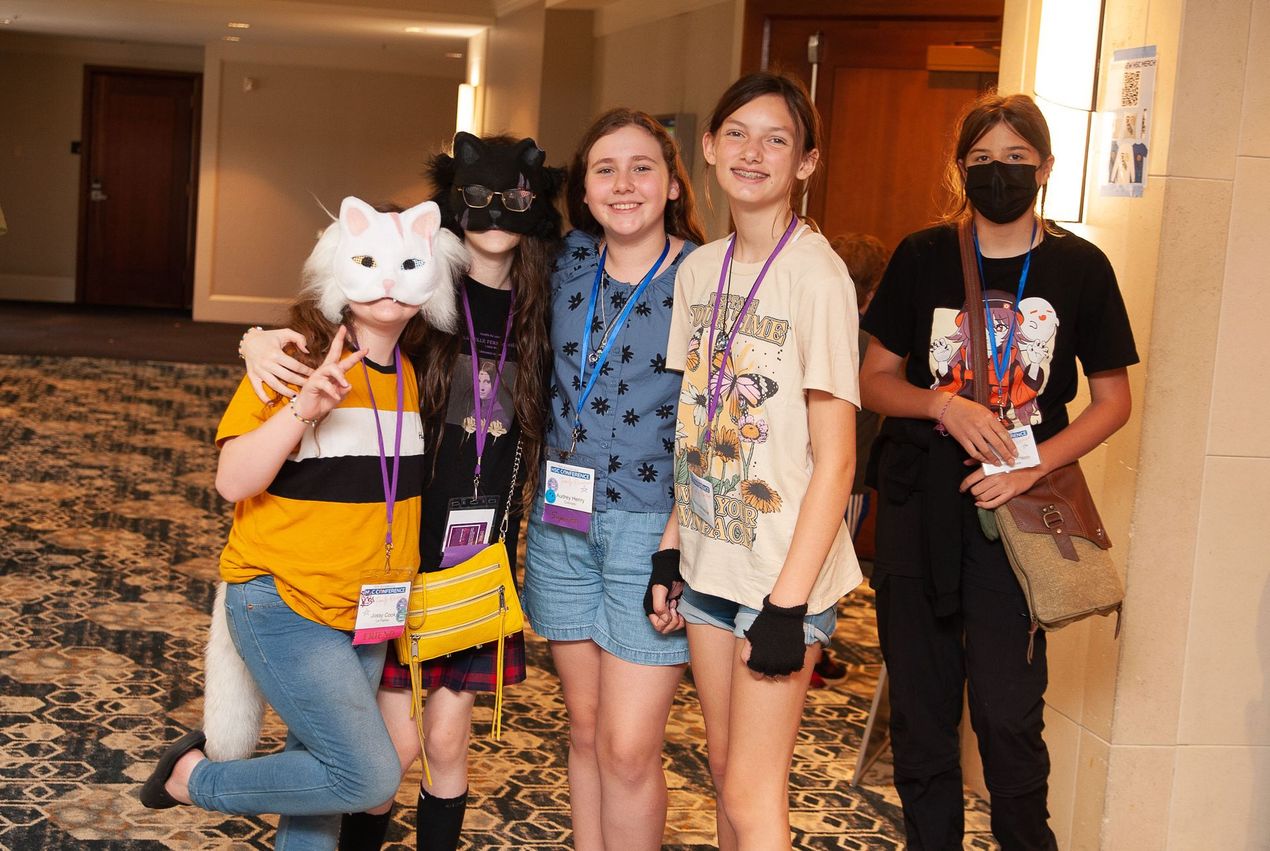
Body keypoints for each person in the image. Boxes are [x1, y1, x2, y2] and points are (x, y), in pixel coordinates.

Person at [237, 133, 561, 851]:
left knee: (446, 745)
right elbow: (331, 312)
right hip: (399, 562)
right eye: (477, 196)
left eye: (514, 197)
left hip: (479, 561)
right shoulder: (418, 294)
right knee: (389, 754)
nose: (495, 211)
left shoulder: (549, 300)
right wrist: (256, 339)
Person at [139, 196, 468, 851]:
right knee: (366, 772)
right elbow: (232, 481)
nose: (384, 281)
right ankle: (192, 777)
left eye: (404, 265)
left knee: (321, 782)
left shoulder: (412, 371)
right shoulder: (293, 359)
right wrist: (302, 409)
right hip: (284, 599)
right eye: (368, 262)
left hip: (367, 609)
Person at [858, 92, 1138, 850]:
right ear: (960, 171)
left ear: (1046, 168)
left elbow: (1114, 400)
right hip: (920, 512)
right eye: (982, 161)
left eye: (1017, 160)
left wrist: (1028, 468)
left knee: (1009, 720)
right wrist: (944, 407)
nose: (1000, 174)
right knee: (920, 719)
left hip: (1017, 518)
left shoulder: (1080, 266)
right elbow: (873, 379)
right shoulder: (922, 256)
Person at [656, 71, 862, 850]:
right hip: (711, 562)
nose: (754, 152)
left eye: (777, 139)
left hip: (783, 575)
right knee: (723, 772)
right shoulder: (700, 271)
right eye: (737, 133)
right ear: (708, 149)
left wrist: (788, 605)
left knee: (752, 792)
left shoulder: (818, 276)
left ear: (805, 163)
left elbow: (837, 460)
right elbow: (697, 425)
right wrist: (673, 543)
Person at [519, 108, 706, 851]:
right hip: (561, 524)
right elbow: (433, 254)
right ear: (583, 189)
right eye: (605, 169)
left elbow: (718, 428)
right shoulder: (563, 264)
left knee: (629, 747)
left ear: (670, 184)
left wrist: (676, 545)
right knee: (587, 728)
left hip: (652, 527)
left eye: (641, 167)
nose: (623, 183)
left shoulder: (706, 274)